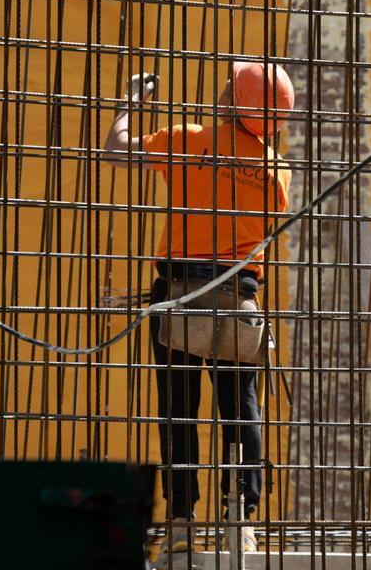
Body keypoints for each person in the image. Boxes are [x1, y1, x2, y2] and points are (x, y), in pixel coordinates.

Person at [102, 62, 294, 568]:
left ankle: (182, 523)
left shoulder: (190, 139)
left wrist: (129, 105)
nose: (222, 89)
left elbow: (115, 150)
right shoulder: (278, 170)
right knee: (241, 409)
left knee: (178, 411)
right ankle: (242, 521)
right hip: (240, 298)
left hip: (180, 295)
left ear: (234, 100)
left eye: (230, 85)